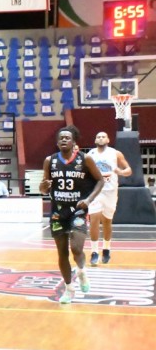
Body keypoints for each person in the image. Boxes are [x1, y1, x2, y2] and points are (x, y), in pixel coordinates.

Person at [39, 126, 104, 304]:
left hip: (78, 210)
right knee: (62, 253)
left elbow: (100, 180)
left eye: (67, 137)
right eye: (61, 138)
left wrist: (89, 200)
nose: (64, 140)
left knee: (76, 248)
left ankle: (81, 272)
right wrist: (43, 187)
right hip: (58, 212)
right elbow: (43, 189)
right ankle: (69, 289)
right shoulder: (49, 161)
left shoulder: (85, 159)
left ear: (74, 141)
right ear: (57, 142)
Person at [86, 131, 132, 266]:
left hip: (110, 191)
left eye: (103, 136)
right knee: (94, 219)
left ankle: (106, 249)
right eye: (98, 136)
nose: (100, 138)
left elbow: (129, 170)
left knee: (107, 222)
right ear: (95, 140)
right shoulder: (90, 155)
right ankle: (94, 252)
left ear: (108, 139)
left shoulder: (115, 153)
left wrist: (121, 172)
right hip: (95, 191)